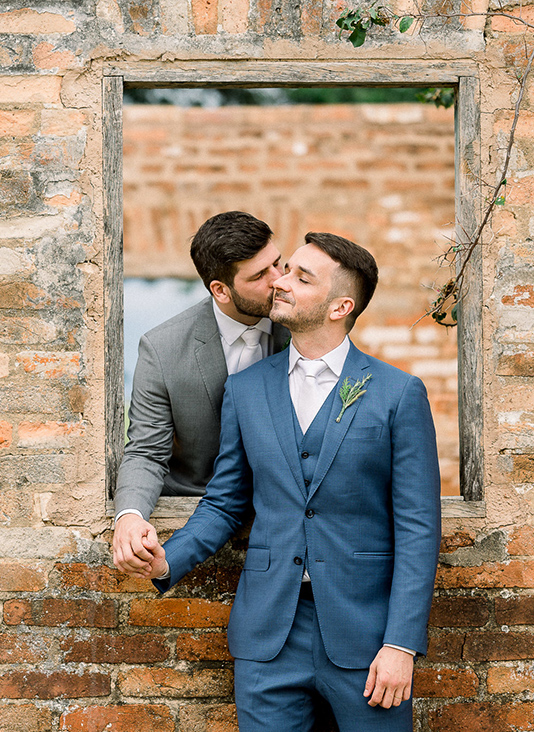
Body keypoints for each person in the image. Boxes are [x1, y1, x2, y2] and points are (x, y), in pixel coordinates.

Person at [128, 232, 441, 732]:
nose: (281, 282)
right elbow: (226, 502)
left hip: (367, 637)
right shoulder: (247, 389)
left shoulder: (397, 394)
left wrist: (401, 644)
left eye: (301, 276)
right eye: (285, 269)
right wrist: (170, 557)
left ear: (341, 306)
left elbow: (419, 528)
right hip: (268, 637)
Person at [112, 211, 289, 576]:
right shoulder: (162, 349)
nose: (280, 281)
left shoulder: (303, 323)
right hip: (200, 516)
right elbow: (146, 451)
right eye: (260, 275)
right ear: (220, 290)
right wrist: (129, 517)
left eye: (278, 263)